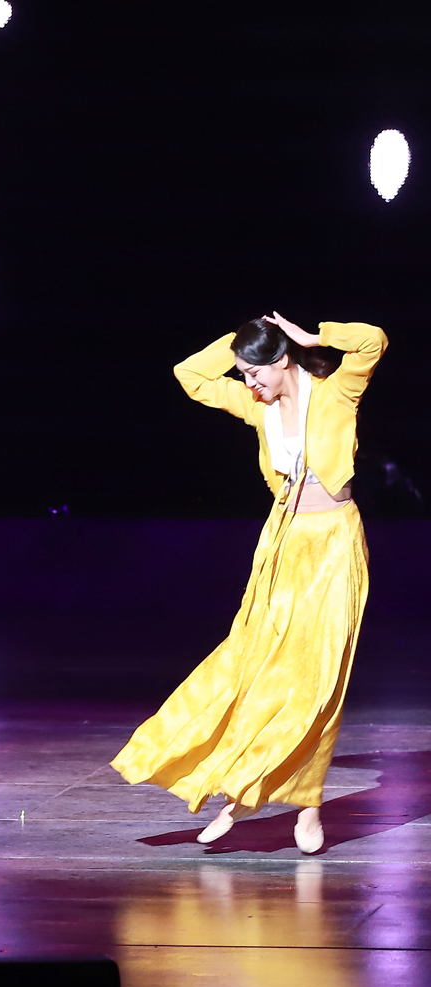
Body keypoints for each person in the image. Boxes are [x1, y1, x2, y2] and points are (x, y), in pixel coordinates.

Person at [111, 313, 387, 855]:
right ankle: (237, 790)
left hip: (334, 545)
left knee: (316, 681)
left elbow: (372, 342)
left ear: (282, 361)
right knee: (255, 666)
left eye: (255, 372)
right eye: (242, 374)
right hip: (282, 543)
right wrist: (243, 339)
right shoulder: (255, 404)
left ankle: (305, 805)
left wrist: (314, 337)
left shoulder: (337, 394)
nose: (248, 383)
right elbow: (190, 375)